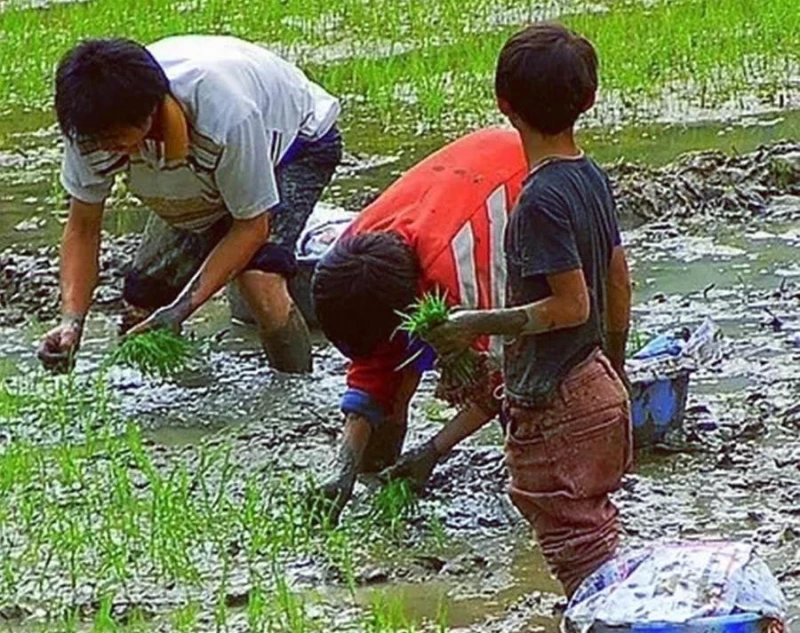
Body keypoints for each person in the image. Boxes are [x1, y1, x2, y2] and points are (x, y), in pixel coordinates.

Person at [425, 23, 633, 597]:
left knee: (579, 555)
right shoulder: (589, 176)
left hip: (558, 399)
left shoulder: (540, 198)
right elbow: (619, 280)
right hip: (595, 383)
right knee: (591, 537)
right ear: (588, 101)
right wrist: (613, 364)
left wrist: (476, 322)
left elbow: (570, 306)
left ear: (503, 104)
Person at [38, 35, 342, 373]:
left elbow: (252, 226)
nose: (104, 148)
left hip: (295, 143)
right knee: (144, 297)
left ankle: (289, 399)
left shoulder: (226, 114)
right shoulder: (88, 127)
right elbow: (83, 226)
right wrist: (71, 323)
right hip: (202, 163)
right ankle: (159, 404)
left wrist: (183, 308)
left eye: (113, 138)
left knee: (259, 278)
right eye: (97, 140)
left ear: (149, 112)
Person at [311, 128, 529, 520]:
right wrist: (342, 469)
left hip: (515, 172)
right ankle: (371, 470)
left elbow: (499, 378)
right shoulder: (353, 253)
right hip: (456, 183)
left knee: (529, 403)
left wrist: (433, 450)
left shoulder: (461, 273)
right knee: (387, 394)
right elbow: (371, 365)